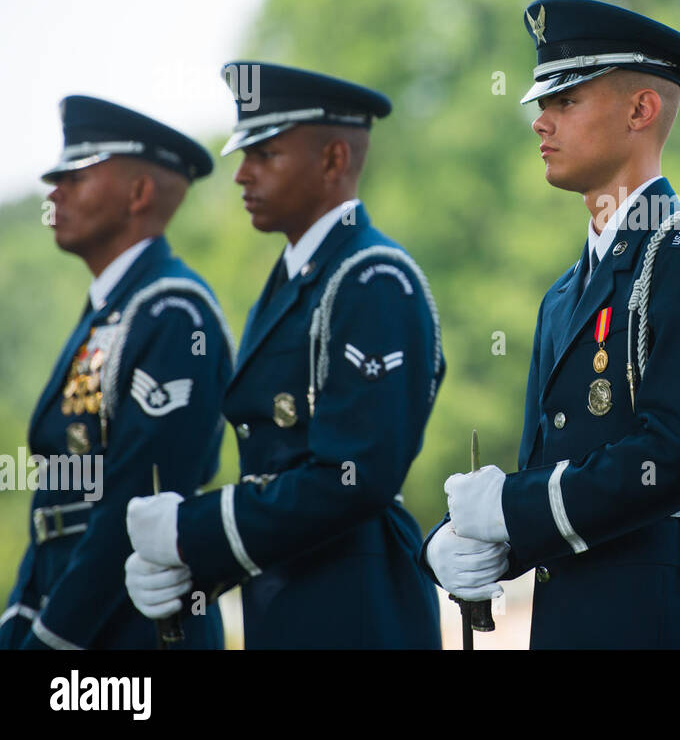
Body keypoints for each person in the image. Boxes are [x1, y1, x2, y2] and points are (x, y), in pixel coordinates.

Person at [420, 0, 680, 648]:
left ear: (641, 110)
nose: (540, 122)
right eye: (541, 104)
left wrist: (510, 510)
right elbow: (545, 473)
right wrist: (458, 541)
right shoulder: (562, 295)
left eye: (566, 100)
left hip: (661, 619)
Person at [124, 62, 444, 648]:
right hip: (290, 600)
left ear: (333, 160)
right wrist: (197, 566)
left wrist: (191, 531)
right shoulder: (296, 280)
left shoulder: (371, 277)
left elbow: (356, 479)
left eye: (265, 154)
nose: (241, 174)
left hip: (358, 604)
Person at [1, 96, 229, 650]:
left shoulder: (173, 313)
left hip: (133, 632)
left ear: (139, 193)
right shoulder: (115, 309)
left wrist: (51, 639)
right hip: (71, 611)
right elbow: (56, 502)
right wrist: (20, 616)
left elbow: (131, 503)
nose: (54, 192)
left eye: (76, 176)